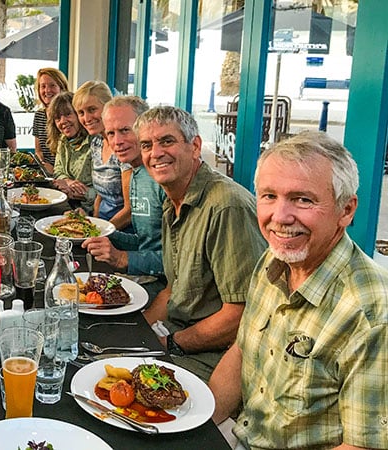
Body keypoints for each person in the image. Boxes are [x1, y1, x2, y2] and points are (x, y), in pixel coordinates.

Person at [209, 131, 388, 450]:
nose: (279, 217)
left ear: (346, 210)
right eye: (268, 196)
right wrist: (196, 427)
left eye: (303, 199)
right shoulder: (272, 259)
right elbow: (241, 352)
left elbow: (363, 446)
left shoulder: (372, 312)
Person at [137, 106, 266, 382]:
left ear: (195, 146)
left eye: (167, 141)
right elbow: (173, 290)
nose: (155, 153)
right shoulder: (173, 201)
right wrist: (135, 335)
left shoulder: (226, 206)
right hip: (176, 336)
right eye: (146, 145)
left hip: (215, 357)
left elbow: (241, 316)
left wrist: (172, 342)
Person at [82, 96, 167, 300]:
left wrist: (122, 258)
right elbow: (147, 242)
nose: (117, 141)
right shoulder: (136, 172)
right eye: (111, 133)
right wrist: (99, 232)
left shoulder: (163, 177)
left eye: (125, 130)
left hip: (165, 288)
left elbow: (180, 261)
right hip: (147, 277)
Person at [73, 80, 131, 230]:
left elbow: (130, 211)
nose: (86, 118)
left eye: (92, 109)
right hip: (102, 227)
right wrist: (91, 221)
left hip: (122, 231)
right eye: (81, 113)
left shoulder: (123, 148)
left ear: (108, 108)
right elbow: (100, 195)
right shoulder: (97, 142)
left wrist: (98, 231)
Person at [47, 91, 95, 212]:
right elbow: (58, 170)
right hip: (70, 205)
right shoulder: (63, 140)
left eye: (68, 114)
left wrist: (83, 193)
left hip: (93, 211)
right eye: (57, 118)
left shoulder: (95, 142)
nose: (62, 121)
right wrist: (68, 182)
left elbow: (107, 192)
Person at [31, 67, 68, 173]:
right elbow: (38, 151)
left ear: (62, 88)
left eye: (52, 85)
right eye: (43, 86)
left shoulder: (69, 118)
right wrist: (42, 166)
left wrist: (55, 171)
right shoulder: (39, 115)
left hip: (64, 173)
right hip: (45, 171)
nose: (47, 90)